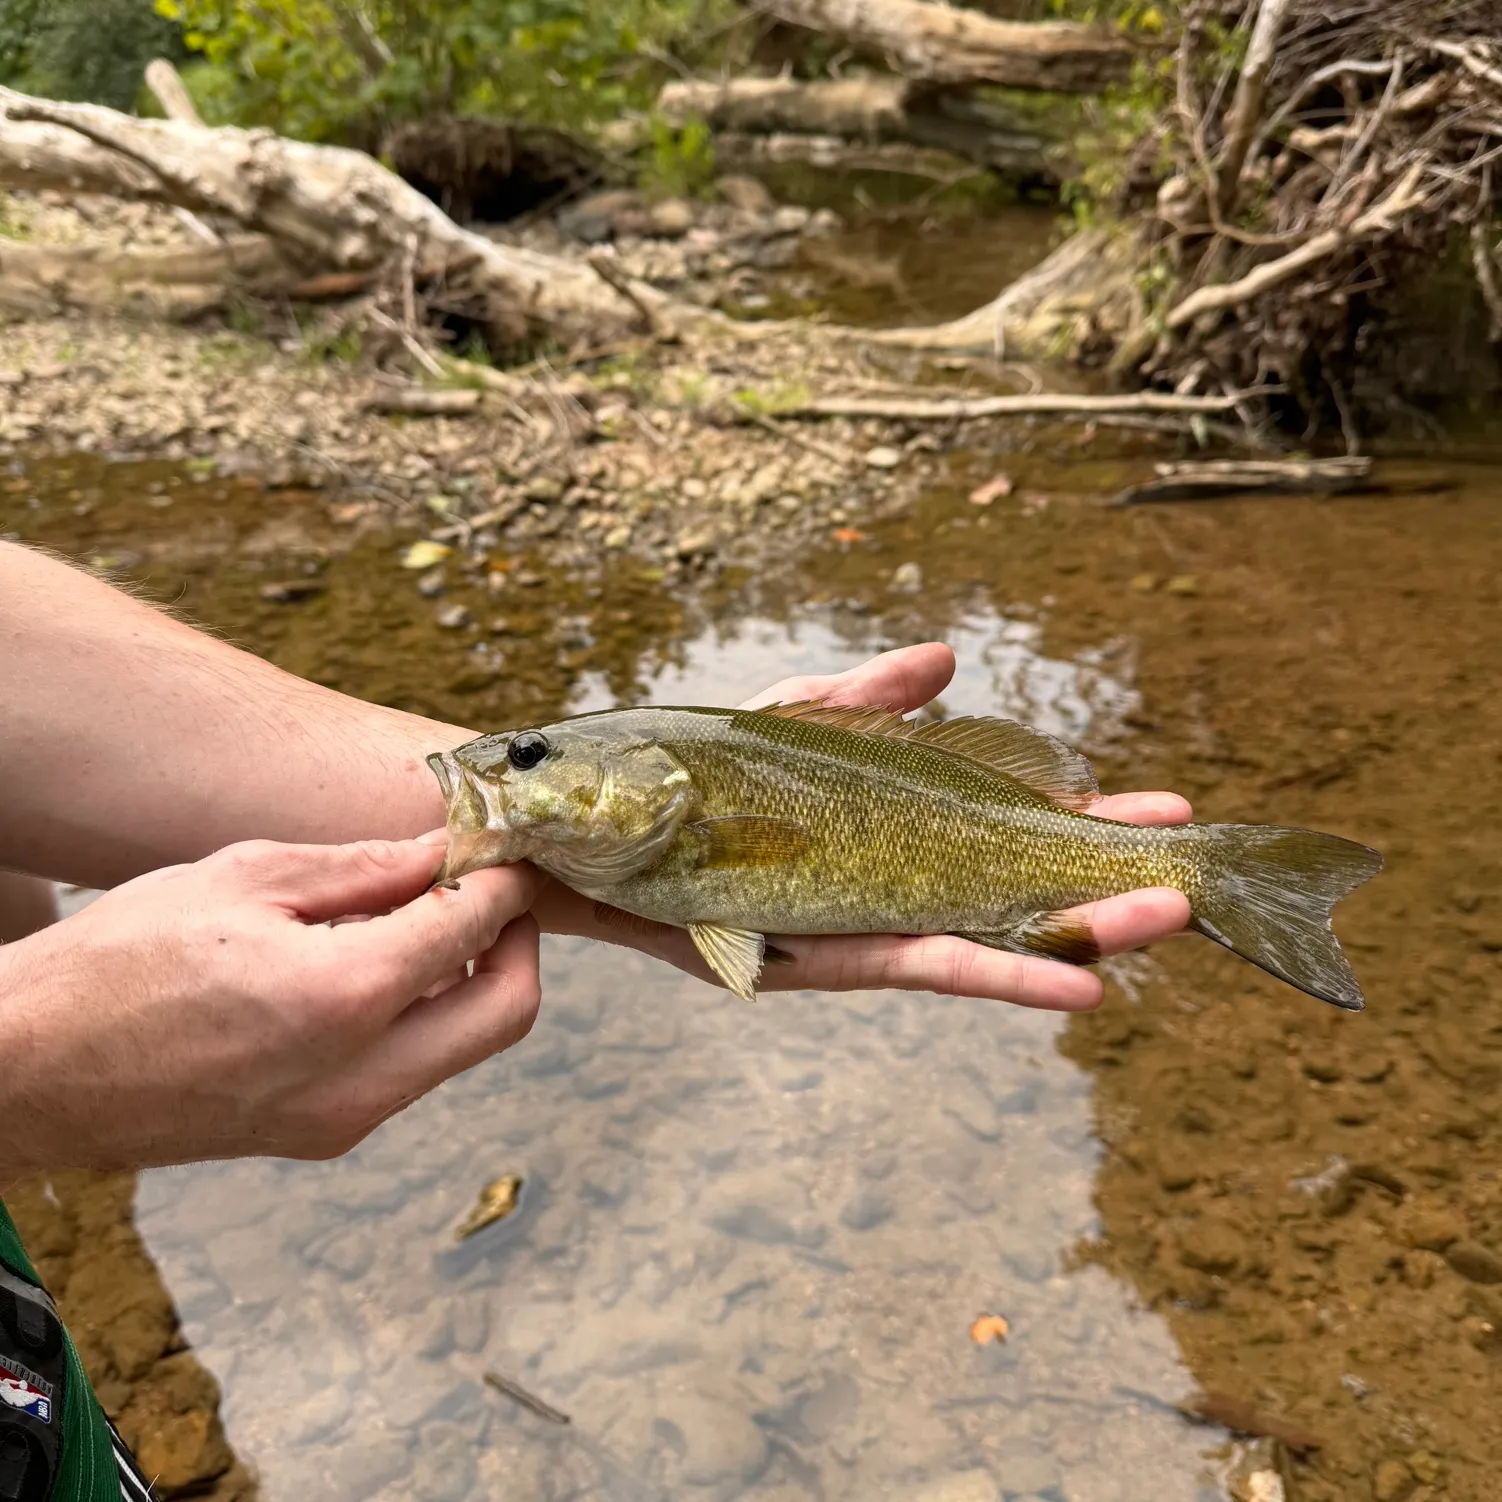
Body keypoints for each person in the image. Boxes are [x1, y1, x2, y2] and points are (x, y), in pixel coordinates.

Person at [0, 540, 1192, 1499]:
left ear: (658, 791)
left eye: (523, 756)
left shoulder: (656, 800)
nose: (479, 767)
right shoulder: (646, 800)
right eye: (518, 757)